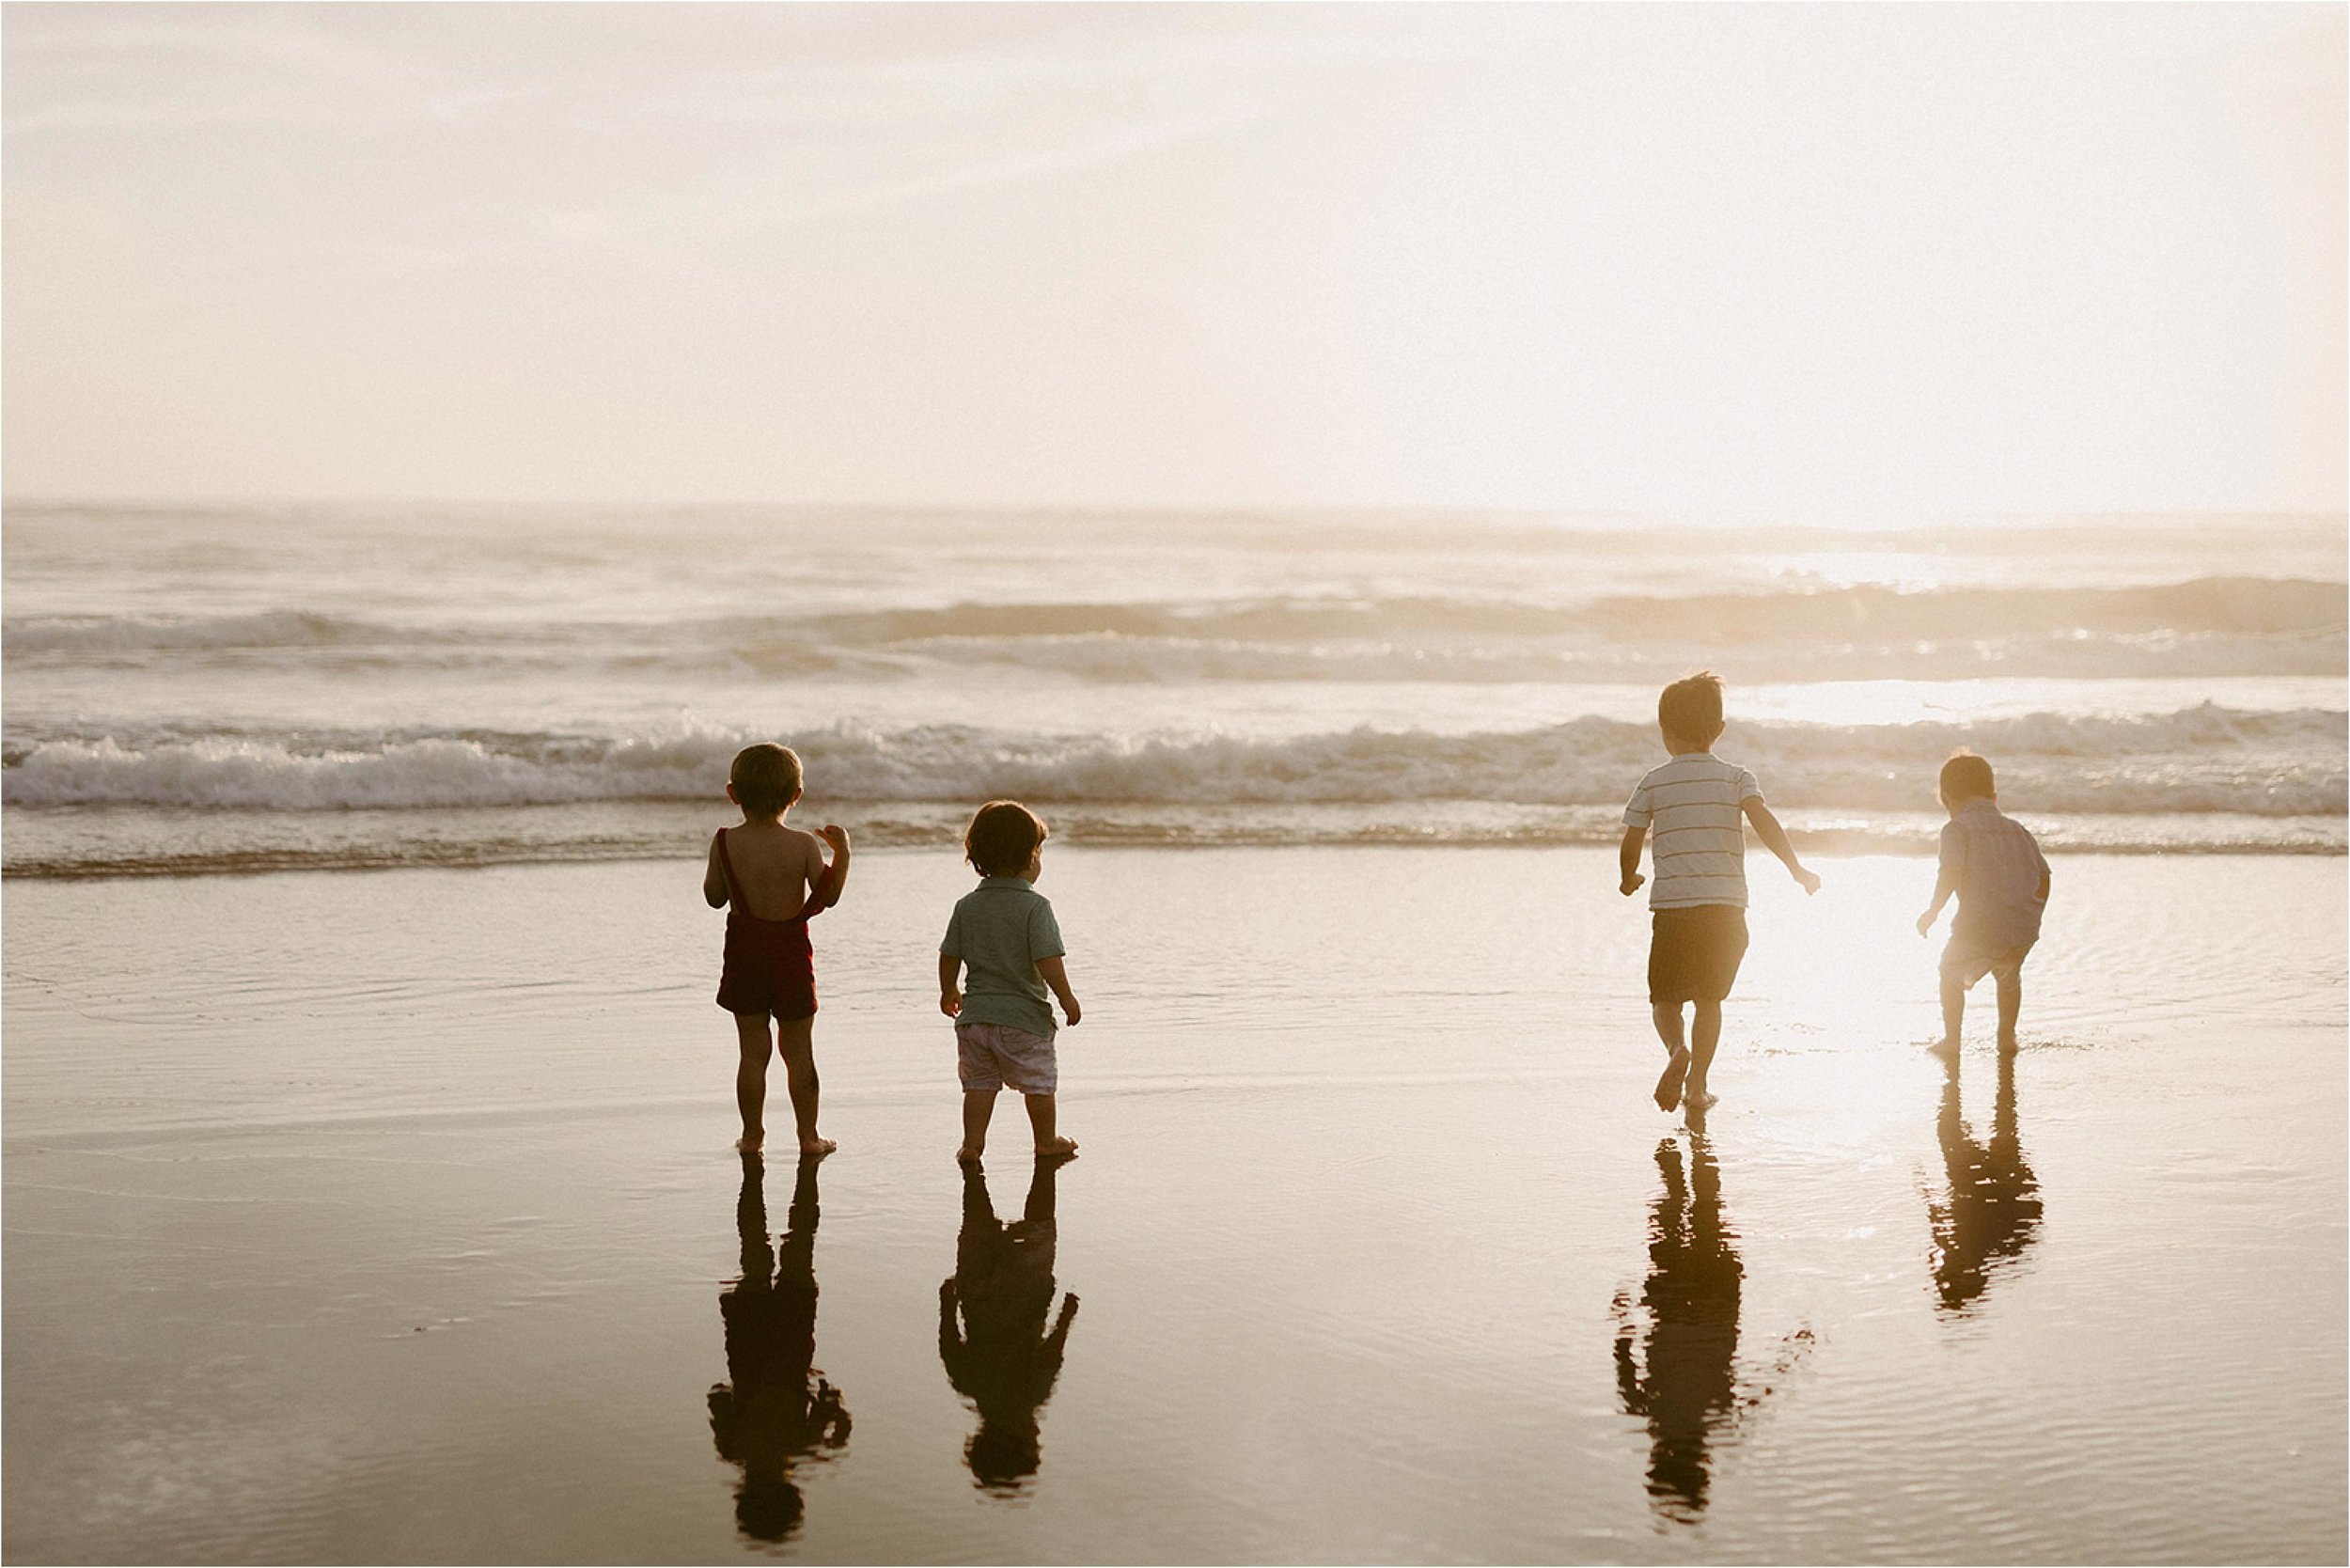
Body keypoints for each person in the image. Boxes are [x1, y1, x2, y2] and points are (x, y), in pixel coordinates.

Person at [1620, 671, 1820, 1112]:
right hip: (1725, 908)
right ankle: (1696, 1086)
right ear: (1719, 730)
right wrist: (1795, 868)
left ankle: (1675, 1050)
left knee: (1665, 997)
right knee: (1710, 1000)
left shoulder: (1653, 781)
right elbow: (1764, 821)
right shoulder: (1736, 778)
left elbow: (1633, 837)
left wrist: (1628, 876)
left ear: (1665, 732)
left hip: (1672, 908)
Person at [704, 743, 851, 1155]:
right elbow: (829, 896)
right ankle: (809, 1138)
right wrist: (843, 853)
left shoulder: (724, 842)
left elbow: (714, 897)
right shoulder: (804, 844)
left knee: (753, 1053)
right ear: (795, 796)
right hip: (790, 954)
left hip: (744, 953)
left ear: (733, 794)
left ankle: (752, 1138)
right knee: (799, 1051)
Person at [707, 1152, 850, 1542]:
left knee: (799, 1250)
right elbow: (717, 1398)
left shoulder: (801, 1443)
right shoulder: (733, 1447)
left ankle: (787, 1178)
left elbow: (833, 1406)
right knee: (754, 1252)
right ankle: (761, 1176)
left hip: (791, 1334)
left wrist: (834, 1429)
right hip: (749, 1337)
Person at [939, 800, 1081, 1163]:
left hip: (975, 1019)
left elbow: (949, 954)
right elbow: (1047, 958)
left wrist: (949, 990)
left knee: (979, 1085)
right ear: (1029, 857)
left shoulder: (966, 905)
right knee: (1038, 1082)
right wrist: (1067, 997)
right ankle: (1046, 1140)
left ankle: (972, 1145)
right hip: (1023, 1021)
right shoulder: (1036, 907)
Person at [939, 1157, 1079, 1496]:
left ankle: (1037, 1164)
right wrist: (948, 1300)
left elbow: (1051, 1352)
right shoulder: (967, 1385)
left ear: (1021, 1440)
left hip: (1025, 1289)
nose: (1038, 1436)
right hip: (977, 1289)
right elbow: (948, 1342)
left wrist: (1067, 1314)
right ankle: (972, 1167)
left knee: (1041, 1220)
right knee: (975, 1215)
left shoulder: (1032, 1394)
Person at [1917, 749, 2049, 1055]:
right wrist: (2034, 909)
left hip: (1980, 925)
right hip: (2023, 925)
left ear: (1947, 797)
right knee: (2009, 976)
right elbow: (2044, 876)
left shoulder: (1957, 828)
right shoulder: (2019, 830)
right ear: (1994, 794)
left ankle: (1952, 1040)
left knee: (1950, 970)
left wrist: (1933, 911)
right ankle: (2007, 1037)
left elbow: (1951, 871)